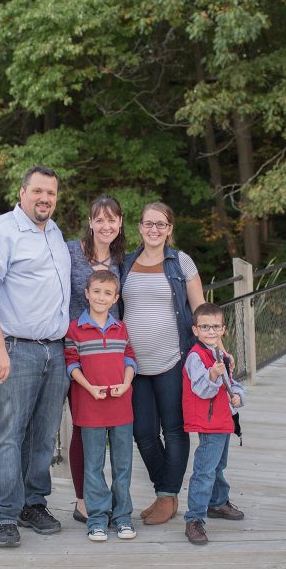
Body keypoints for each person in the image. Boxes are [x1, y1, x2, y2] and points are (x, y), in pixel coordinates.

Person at [0, 165, 72, 549]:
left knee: (44, 435)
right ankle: (5, 515)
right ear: (22, 191)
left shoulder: (55, 232)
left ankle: (33, 503)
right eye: (39, 191)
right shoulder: (0, 231)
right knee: (8, 434)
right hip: (12, 348)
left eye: (52, 193)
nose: (46, 198)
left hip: (54, 350)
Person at [120, 202, 205, 525]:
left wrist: (218, 351)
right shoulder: (125, 263)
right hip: (133, 365)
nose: (153, 230)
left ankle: (167, 495)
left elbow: (200, 311)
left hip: (173, 359)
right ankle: (165, 490)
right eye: (147, 224)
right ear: (139, 227)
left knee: (174, 429)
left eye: (160, 224)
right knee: (142, 432)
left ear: (169, 228)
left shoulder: (180, 262)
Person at [64, 270, 138, 542]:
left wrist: (127, 382)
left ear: (116, 298)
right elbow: (71, 363)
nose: (101, 297)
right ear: (86, 293)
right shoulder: (74, 329)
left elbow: (130, 358)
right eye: (96, 291)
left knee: (123, 465)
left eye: (107, 293)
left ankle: (122, 517)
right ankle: (96, 518)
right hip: (89, 406)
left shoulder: (122, 328)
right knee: (93, 465)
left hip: (121, 407)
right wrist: (89, 388)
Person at [66, 196, 126, 525]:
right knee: (81, 426)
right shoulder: (70, 253)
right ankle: (83, 499)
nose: (106, 226)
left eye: (112, 220)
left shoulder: (122, 260)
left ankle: (117, 500)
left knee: (114, 429)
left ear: (120, 224)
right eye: (100, 220)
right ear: (90, 222)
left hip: (111, 353)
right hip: (76, 349)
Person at [182, 302, 246, 546]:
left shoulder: (222, 355)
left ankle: (217, 502)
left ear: (223, 329)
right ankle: (194, 519)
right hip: (209, 421)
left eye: (215, 327)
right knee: (205, 470)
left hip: (224, 418)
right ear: (196, 330)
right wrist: (212, 375)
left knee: (219, 464)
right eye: (205, 327)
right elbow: (201, 389)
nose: (210, 331)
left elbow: (232, 382)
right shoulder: (196, 357)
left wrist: (238, 396)